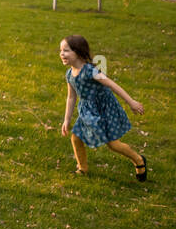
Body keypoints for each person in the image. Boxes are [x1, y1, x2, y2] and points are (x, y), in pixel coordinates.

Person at [58, 35, 147, 180]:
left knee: (113, 144)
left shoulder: (90, 71)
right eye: (61, 50)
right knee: (76, 137)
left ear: (78, 53)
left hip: (104, 109)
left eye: (66, 50)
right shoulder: (69, 74)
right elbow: (71, 97)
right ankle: (82, 168)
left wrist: (131, 102)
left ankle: (138, 160)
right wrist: (66, 120)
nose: (62, 54)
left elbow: (112, 85)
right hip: (88, 112)